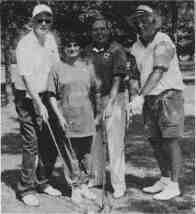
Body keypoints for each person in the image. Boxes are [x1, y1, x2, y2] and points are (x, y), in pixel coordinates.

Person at [129, 4, 184, 200]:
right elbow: (135, 75)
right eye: (138, 21)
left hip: (168, 96)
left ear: (154, 21)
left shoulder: (164, 41)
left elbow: (159, 71)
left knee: (170, 140)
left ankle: (175, 184)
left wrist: (140, 96)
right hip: (149, 98)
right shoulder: (135, 46)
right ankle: (165, 178)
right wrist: (134, 96)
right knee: (154, 140)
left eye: (145, 19)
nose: (141, 24)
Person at [15, 4, 61, 206]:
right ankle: (25, 189)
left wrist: (55, 98)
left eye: (47, 20)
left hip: (47, 94)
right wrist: (37, 103)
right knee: (31, 143)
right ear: (33, 22)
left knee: (50, 141)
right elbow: (25, 78)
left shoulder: (50, 39)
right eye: (40, 20)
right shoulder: (24, 44)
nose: (44, 24)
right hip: (27, 97)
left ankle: (42, 181)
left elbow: (56, 69)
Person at [47, 32, 99, 200]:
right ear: (64, 49)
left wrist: (97, 115)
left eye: (75, 45)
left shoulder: (88, 67)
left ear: (80, 48)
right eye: (69, 46)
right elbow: (51, 95)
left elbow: (95, 93)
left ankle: (84, 185)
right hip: (66, 119)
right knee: (70, 154)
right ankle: (74, 187)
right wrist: (59, 116)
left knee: (86, 155)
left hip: (86, 118)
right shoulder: (56, 68)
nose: (72, 48)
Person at [85, 17, 128, 199]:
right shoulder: (87, 51)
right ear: (91, 32)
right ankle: (97, 178)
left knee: (114, 142)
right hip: (93, 101)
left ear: (108, 31)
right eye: (96, 30)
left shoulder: (117, 49)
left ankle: (118, 184)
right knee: (95, 141)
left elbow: (118, 79)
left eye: (103, 29)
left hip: (114, 99)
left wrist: (109, 104)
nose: (99, 32)